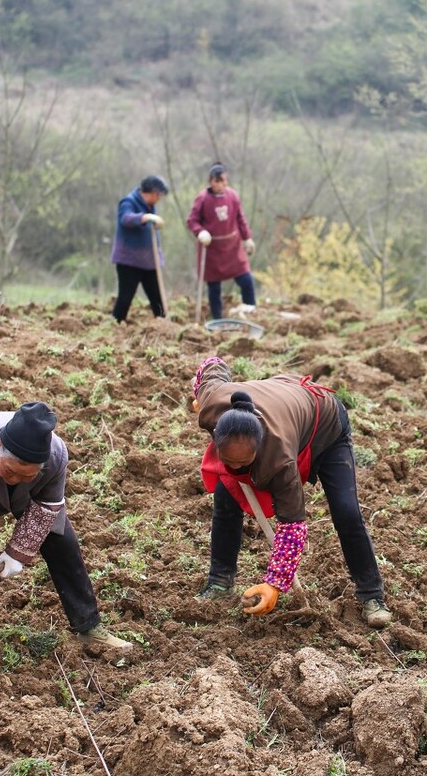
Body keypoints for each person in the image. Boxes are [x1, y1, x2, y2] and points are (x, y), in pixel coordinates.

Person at [0, 402, 132, 677]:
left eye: (25, 474)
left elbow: (45, 508)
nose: (16, 479)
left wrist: (18, 552)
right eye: (11, 471)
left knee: (61, 540)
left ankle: (88, 627)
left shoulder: (56, 456)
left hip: (28, 496)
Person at [192, 356, 393, 628]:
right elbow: (212, 364)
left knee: (346, 511)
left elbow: (292, 526)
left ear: (259, 448)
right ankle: (219, 582)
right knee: (226, 500)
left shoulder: (279, 459)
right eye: (230, 461)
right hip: (283, 402)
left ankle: (372, 596)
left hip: (326, 424)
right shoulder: (212, 406)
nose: (237, 466)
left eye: (244, 462)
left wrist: (274, 583)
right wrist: (197, 394)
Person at [186, 163, 256, 320]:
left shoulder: (232, 196)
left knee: (246, 279)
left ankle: (251, 312)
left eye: (225, 180)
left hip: (232, 247)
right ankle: (218, 319)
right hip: (212, 249)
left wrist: (247, 238)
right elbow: (192, 220)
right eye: (221, 181)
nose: (225, 184)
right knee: (214, 287)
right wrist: (201, 232)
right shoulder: (203, 199)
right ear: (213, 181)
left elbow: (240, 218)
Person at [111, 175, 170, 322]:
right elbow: (126, 218)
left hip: (149, 262)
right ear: (152, 193)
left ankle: (163, 325)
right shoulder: (128, 201)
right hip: (129, 262)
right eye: (159, 195)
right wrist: (144, 218)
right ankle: (116, 324)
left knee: (157, 297)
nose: (159, 199)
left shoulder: (150, 205)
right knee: (125, 297)